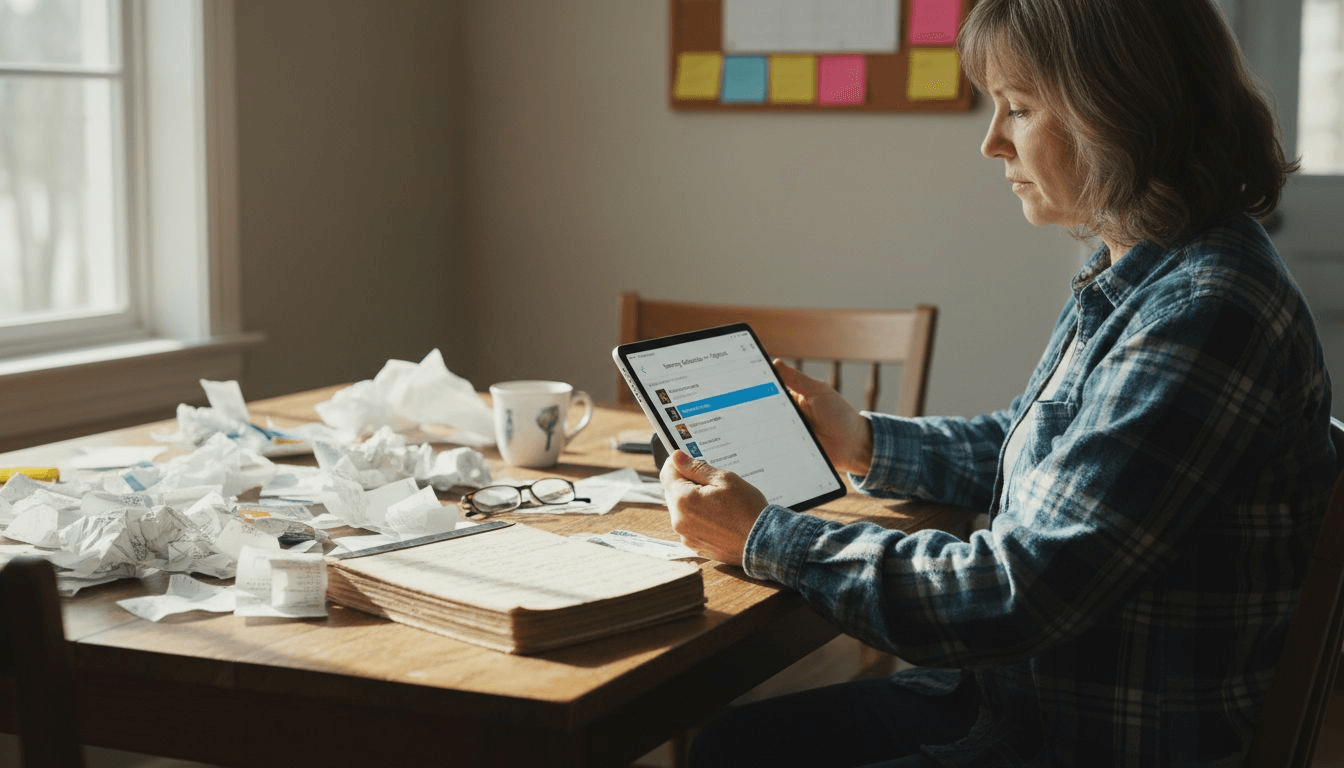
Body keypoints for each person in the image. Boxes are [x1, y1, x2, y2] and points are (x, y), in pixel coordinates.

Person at [659, 0, 1340, 765]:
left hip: (1083, 743)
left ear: (1118, 113)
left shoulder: (1202, 312)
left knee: (734, 751)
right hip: (1019, 703)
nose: (990, 143)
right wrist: (866, 440)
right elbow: (1041, 446)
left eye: (1017, 108)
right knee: (734, 743)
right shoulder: (1149, 271)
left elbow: (1018, 592)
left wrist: (766, 538)